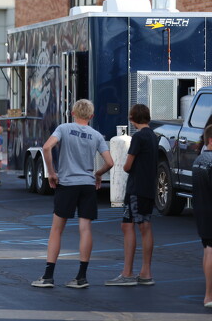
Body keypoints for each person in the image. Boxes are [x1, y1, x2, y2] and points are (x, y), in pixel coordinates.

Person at [31, 99, 113, 289]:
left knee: (56, 230)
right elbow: (109, 162)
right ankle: (81, 277)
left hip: (67, 184)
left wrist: (51, 172)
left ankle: (48, 276)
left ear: (72, 113)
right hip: (87, 185)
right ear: (91, 116)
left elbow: (46, 147)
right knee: (85, 229)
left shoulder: (64, 128)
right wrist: (98, 174)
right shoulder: (96, 135)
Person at [105, 104, 157, 287]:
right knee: (144, 226)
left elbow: (127, 165)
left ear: (132, 118)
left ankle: (128, 273)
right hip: (148, 187)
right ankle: (145, 272)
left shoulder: (138, 137)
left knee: (130, 226)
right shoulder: (153, 136)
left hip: (136, 188)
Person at [192, 125, 212, 307]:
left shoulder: (199, 160)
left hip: (201, 210)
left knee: (207, 249)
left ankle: (208, 294)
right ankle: (209, 295)